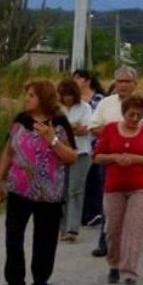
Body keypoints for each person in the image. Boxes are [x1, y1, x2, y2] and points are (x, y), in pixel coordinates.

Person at [0, 80, 78, 285]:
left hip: (48, 193)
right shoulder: (20, 121)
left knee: (45, 240)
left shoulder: (59, 122)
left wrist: (52, 139)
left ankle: (40, 284)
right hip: (19, 189)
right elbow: (8, 151)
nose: (27, 98)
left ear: (43, 97)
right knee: (13, 236)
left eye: (31, 95)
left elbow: (71, 157)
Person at [93, 95, 143, 285]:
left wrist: (136, 159)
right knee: (113, 229)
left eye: (138, 116)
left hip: (139, 186)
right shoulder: (111, 130)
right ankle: (114, 263)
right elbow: (97, 156)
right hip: (114, 187)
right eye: (131, 114)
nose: (134, 119)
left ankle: (130, 272)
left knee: (134, 229)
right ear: (124, 113)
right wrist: (114, 157)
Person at [88, 66, 143, 257]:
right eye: (120, 81)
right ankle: (106, 243)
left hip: (136, 162)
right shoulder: (106, 103)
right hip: (110, 160)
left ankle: (129, 246)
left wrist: (132, 131)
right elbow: (93, 127)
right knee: (109, 204)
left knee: (133, 208)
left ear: (135, 84)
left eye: (127, 81)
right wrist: (117, 131)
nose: (123, 85)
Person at [57, 78, 93, 243]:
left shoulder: (85, 107)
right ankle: (62, 228)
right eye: (64, 95)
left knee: (75, 190)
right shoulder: (57, 109)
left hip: (81, 153)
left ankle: (73, 228)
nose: (67, 98)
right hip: (60, 153)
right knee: (61, 191)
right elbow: (54, 130)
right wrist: (73, 127)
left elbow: (85, 130)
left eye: (70, 95)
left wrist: (68, 129)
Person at [74, 69, 107, 228]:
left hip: (96, 143)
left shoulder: (99, 99)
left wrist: (88, 128)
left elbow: (101, 121)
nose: (75, 82)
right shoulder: (74, 100)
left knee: (94, 179)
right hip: (78, 145)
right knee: (81, 180)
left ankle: (94, 212)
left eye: (78, 78)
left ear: (87, 81)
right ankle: (80, 213)